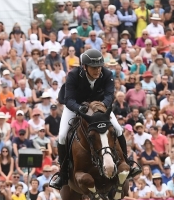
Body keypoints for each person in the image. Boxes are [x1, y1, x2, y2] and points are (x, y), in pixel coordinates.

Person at [50, 49, 140, 189]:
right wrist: (80, 109)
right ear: (84, 67)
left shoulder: (107, 74)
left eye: (99, 67)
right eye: (93, 67)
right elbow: (68, 99)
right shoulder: (73, 75)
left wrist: (101, 106)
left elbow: (110, 95)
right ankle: (63, 173)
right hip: (76, 106)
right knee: (62, 136)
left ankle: (127, 162)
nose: (97, 70)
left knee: (117, 129)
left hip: (98, 106)